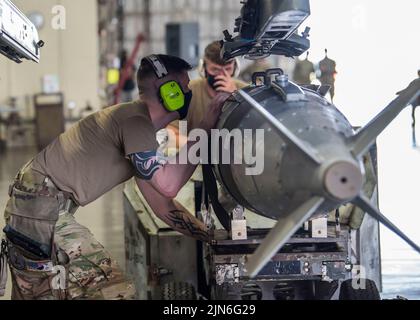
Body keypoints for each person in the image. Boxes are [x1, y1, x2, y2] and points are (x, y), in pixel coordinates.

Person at [0, 54, 229, 300]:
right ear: (168, 91)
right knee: (114, 290)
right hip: (40, 208)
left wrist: (212, 236)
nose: (188, 94)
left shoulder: (138, 128)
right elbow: (169, 184)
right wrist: (204, 128)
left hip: (32, 206)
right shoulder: (136, 121)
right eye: (184, 87)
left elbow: (163, 204)